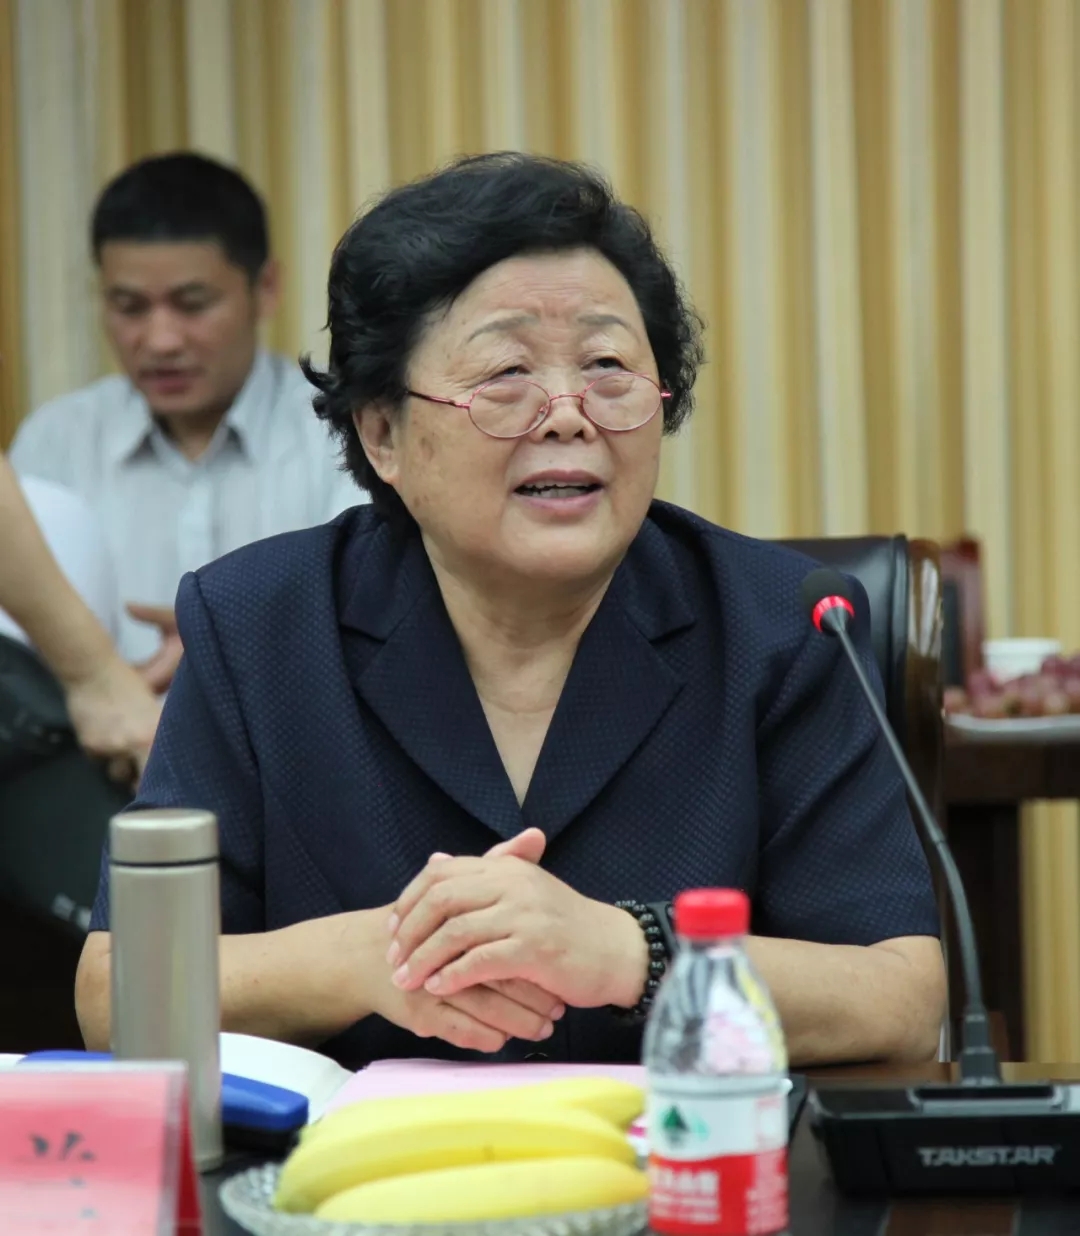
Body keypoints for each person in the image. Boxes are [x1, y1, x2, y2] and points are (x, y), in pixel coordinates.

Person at [75, 154, 945, 1069]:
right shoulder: (258, 627)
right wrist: (372, 958)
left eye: (608, 366)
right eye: (506, 373)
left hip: (680, 1153)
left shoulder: (783, 626)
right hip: (366, 1160)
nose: (568, 414)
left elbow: (900, 994)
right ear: (383, 433)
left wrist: (631, 952)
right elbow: (114, 994)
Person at [9, 152, 363, 675]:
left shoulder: (341, 427)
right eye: (129, 307)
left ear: (265, 288)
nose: (161, 341)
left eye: (193, 304)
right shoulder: (57, 440)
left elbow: (372, 617)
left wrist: (232, 651)